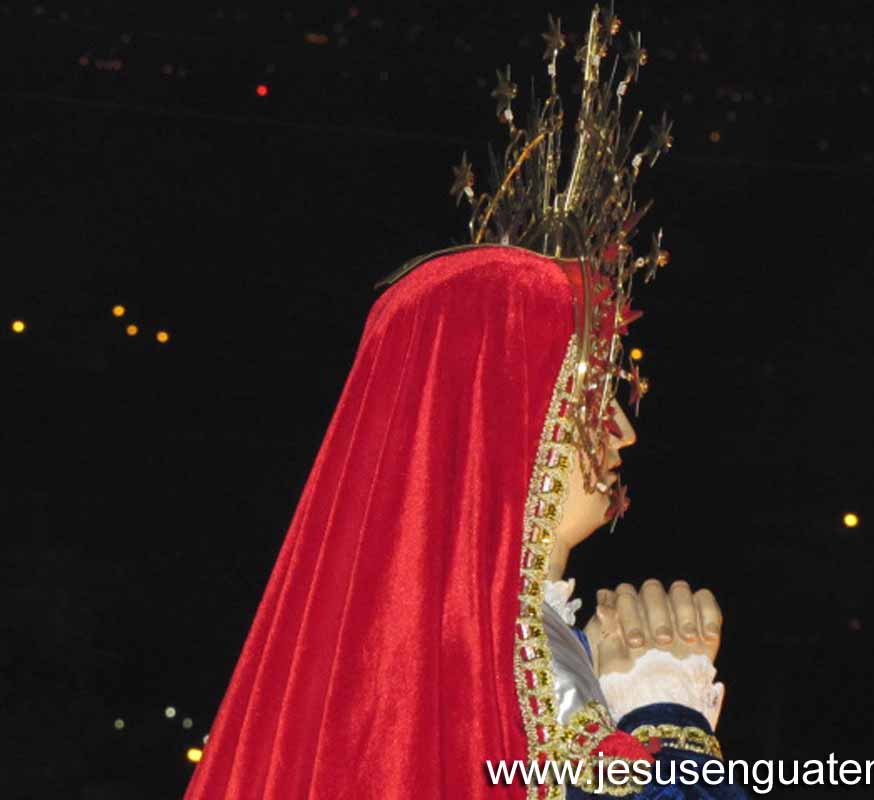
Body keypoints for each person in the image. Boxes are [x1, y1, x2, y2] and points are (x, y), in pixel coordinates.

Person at [183, 6, 747, 799]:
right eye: (588, 396)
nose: (620, 430)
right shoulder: (473, 654)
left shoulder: (485, 642)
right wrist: (668, 717)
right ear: (501, 424)